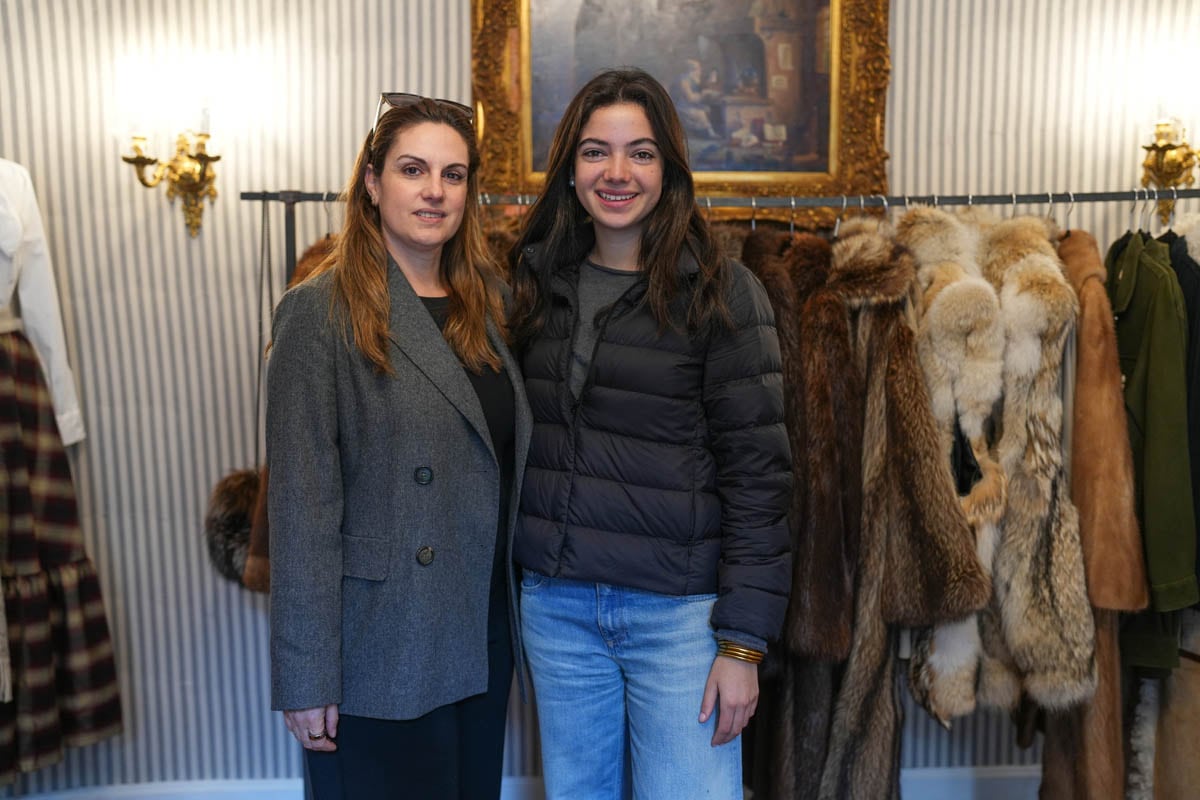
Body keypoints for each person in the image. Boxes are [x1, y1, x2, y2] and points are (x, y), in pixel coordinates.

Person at [508, 68, 792, 799]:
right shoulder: (530, 286)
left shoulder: (723, 293)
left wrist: (743, 644)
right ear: (570, 170)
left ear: (669, 170)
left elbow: (760, 480)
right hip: (557, 607)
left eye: (640, 152)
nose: (617, 172)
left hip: (679, 620)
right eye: (596, 151)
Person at [266, 93, 531, 799]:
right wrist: (306, 675)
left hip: (480, 631)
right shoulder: (318, 312)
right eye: (414, 169)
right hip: (379, 643)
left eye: (454, 174)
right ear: (374, 182)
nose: (435, 191)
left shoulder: (489, 305)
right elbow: (300, 509)